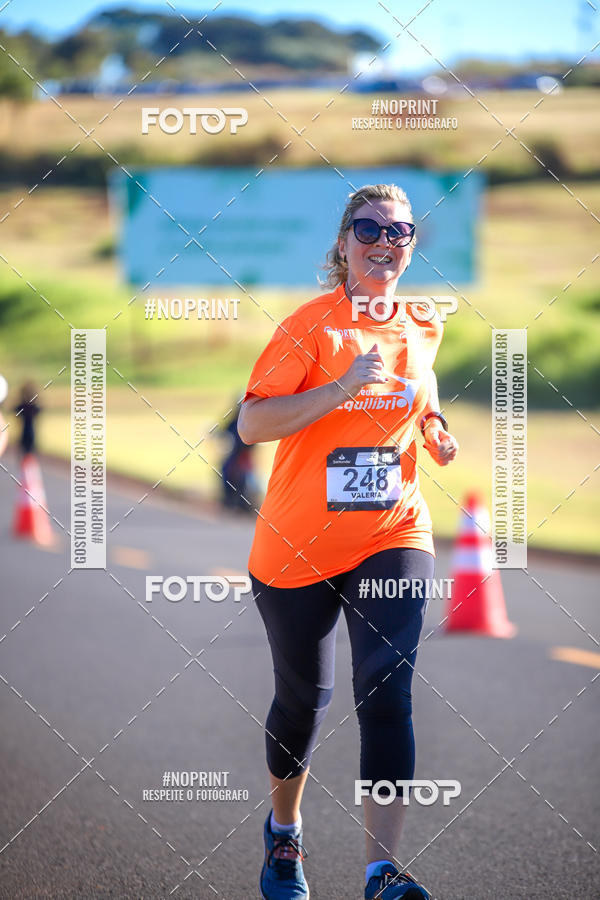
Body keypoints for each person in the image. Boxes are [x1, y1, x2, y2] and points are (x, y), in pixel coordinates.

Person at [238, 184, 459, 900]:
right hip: (297, 545)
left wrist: (434, 428)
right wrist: (338, 389)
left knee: (387, 688)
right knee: (302, 701)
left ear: (411, 245)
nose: (384, 242)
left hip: (393, 529)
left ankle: (380, 872)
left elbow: (420, 389)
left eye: (400, 231)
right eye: (368, 229)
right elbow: (252, 424)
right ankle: (284, 833)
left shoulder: (423, 322)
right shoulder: (310, 327)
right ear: (343, 243)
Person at [14, 382, 41, 457]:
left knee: (27, 454)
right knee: (27, 453)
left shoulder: (24, 407)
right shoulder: (27, 407)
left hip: (28, 432)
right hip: (27, 432)